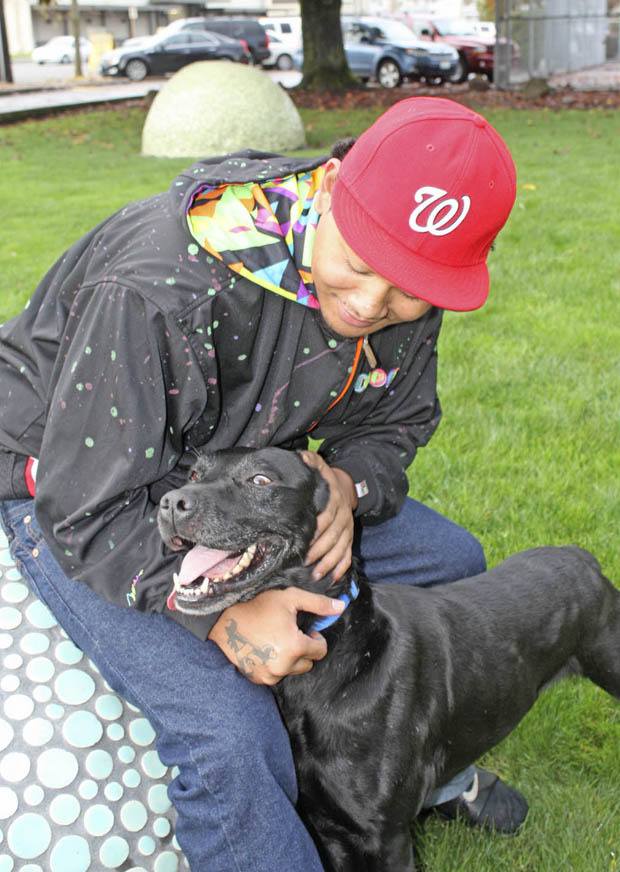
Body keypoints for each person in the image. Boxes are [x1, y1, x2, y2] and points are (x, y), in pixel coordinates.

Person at [0, 97, 524, 870]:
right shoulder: (162, 288)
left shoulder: (403, 266)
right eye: (361, 266)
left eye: (407, 288)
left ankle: (411, 774)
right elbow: (86, 506)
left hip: (232, 473)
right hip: (80, 488)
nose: (371, 305)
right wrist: (229, 610)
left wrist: (348, 483)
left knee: (451, 564)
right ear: (333, 185)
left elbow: (395, 419)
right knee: (230, 737)